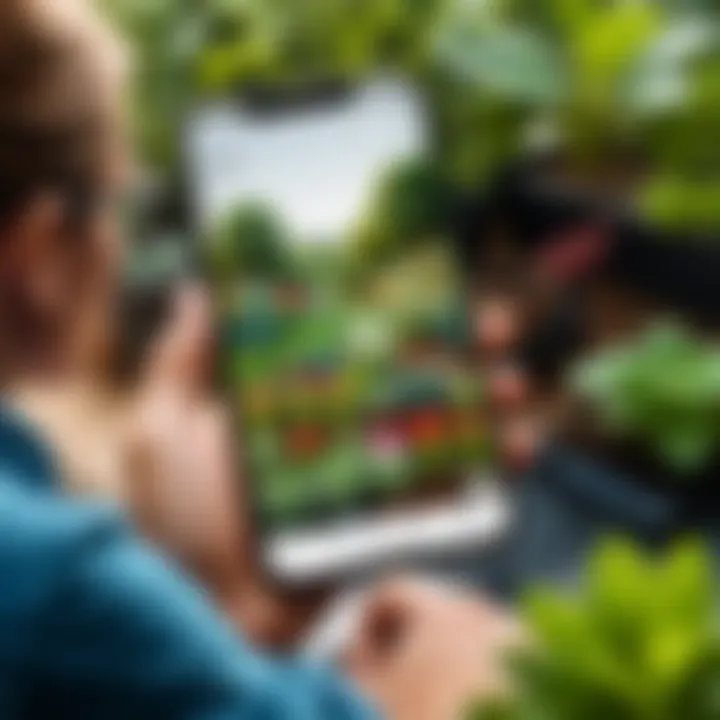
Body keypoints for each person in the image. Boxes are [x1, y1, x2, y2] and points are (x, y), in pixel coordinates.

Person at [0, 1, 523, 719]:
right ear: (39, 250)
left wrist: (219, 606)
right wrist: (437, 693)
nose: (119, 247)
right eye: (117, 202)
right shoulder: (58, 577)